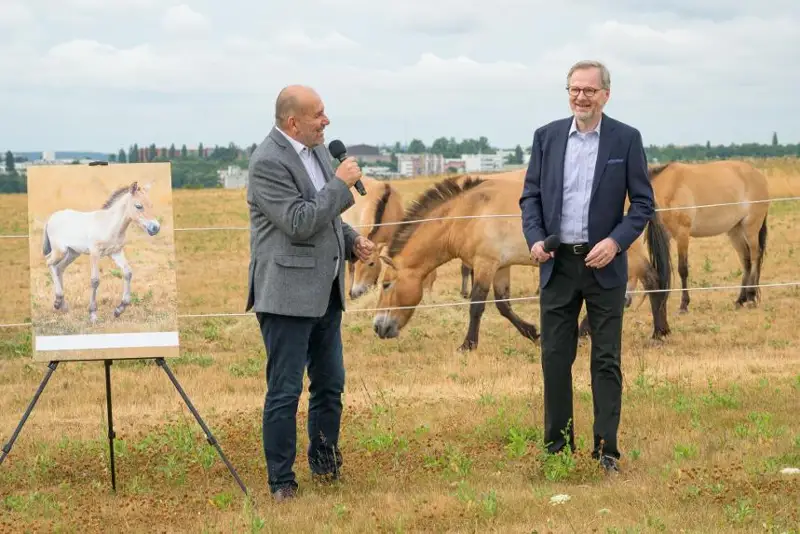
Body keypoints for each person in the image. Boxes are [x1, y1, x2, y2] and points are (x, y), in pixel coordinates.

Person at [518, 60, 654, 474]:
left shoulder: (626, 140)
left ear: (605, 95)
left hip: (605, 269)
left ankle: (606, 450)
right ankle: (557, 450)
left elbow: (643, 205)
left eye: (589, 91)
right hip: (558, 267)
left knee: (606, 360)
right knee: (555, 359)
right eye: (575, 89)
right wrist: (535, 239)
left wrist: (615, 243)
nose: (581, 96)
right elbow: (530, 198)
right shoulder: (547, 137)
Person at [245, 84, 375, 501]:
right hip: (285, 295)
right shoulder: (268, 162)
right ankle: (281, 481)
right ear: (292, 122)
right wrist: (340, 184)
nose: (327, 121)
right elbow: (299, 221)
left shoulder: (318, 150)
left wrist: (352, 240)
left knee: (330, 385)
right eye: (318, 114)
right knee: (285, 390)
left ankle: (325, 465)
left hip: (326, 291)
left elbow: (328, 218)